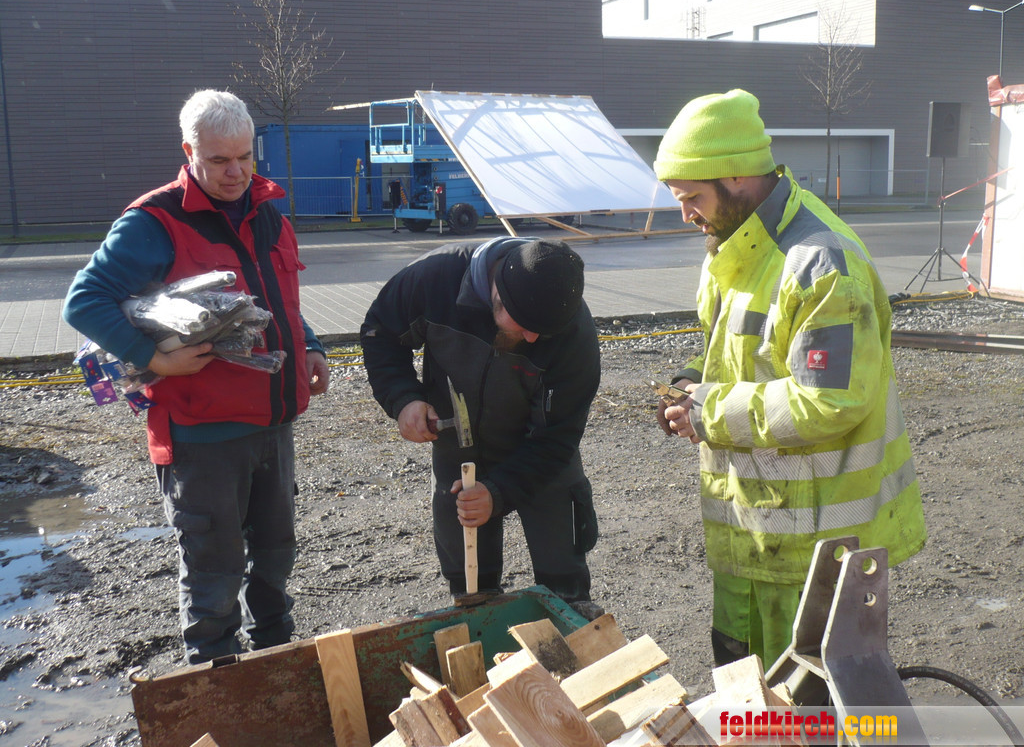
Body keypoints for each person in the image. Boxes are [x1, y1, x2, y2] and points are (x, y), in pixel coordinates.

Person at [652, 89, 927, 669]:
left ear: (737, 176)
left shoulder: (822, 265)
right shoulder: (736, 246)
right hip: (754, 535)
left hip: (816, 552)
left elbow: (829, 401)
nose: (686, 214)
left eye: (693, 197)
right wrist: (690, 381)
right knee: (744, 689)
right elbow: (734, 349)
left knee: (805, 701)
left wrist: (708, 411)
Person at [63, 89, 330, 664]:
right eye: (219, 160)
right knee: (214, 571)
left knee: (276, 557)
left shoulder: (267, 211)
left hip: (272, 424)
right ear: (189, 152)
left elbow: (277, 298)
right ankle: (216, 680)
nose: (236, 173)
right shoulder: (155, 221)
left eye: (245, 157)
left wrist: (309, 345)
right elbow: (84, 301)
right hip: (201, 435)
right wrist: (154, 359)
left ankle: (277, 662)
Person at [360, 236, 601, 613]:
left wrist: (499, 492)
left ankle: (570, 617)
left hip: (542, 456)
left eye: (543, 331)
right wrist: (403, 399)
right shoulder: (435, 278)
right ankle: (478, 618)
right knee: (471, 583)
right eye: (526, 325)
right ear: (497, 295)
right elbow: (381, 332)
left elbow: (558, 438)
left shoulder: (571, 327)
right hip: (458, 452)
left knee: (563, 579)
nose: (534, 338)